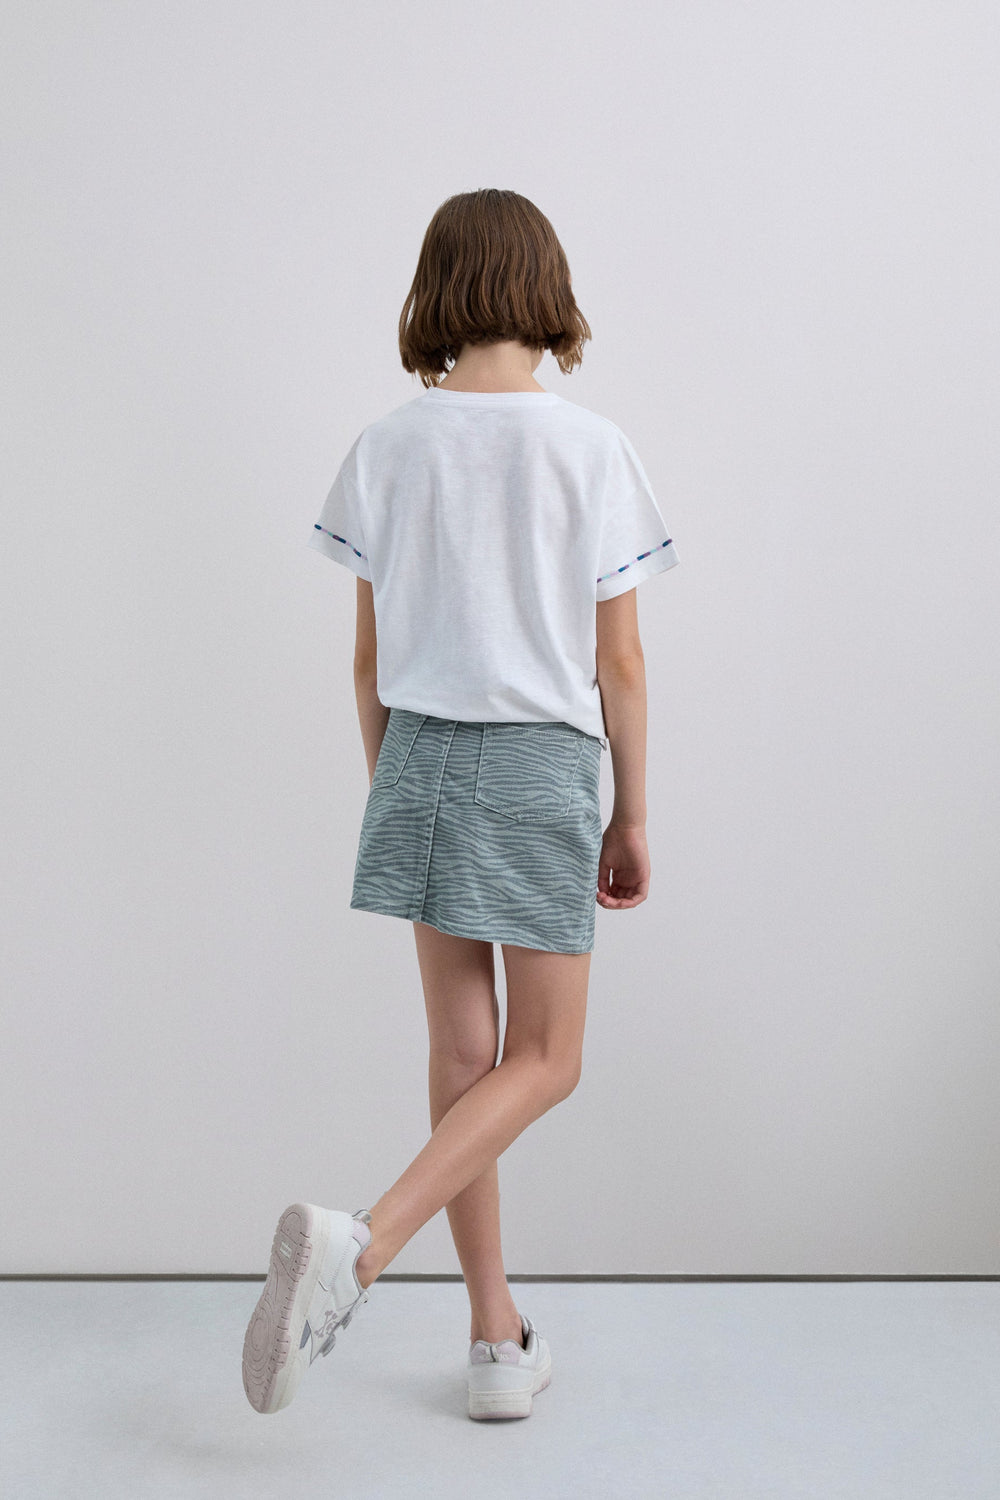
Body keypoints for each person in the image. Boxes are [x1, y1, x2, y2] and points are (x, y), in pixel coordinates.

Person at [242, 188, 680, 1421]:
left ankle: (495, 1338)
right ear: (546, 289)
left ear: (436, 290)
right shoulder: (590, 448)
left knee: (460, 1056)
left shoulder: (386, 446)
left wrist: (397, 786)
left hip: (419, 754)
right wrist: (631, 813)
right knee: (545, 1060)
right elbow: (620, 663)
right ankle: (364, 1247)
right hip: (540, 760)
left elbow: (366, 664)